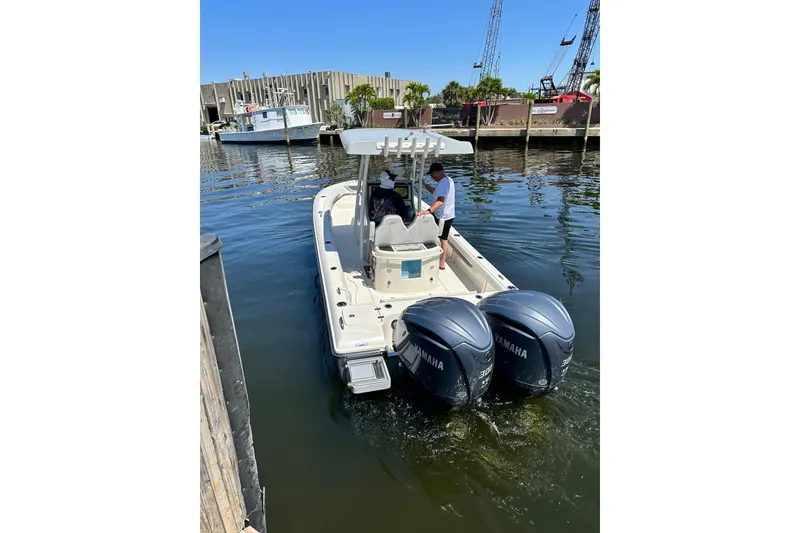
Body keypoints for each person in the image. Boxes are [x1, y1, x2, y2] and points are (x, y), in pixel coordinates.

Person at [417, 162, 455, 270]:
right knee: (431, 232)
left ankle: (442, 263)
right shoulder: (447, 180)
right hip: (442, 214)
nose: (432, 177)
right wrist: (425, 186)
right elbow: (435, 192)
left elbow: (440, 201)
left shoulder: (443, 183)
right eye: (431, 175)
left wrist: (428, 211)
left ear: (439, 172)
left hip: (443, 217)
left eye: (433, 174)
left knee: (443, 239)